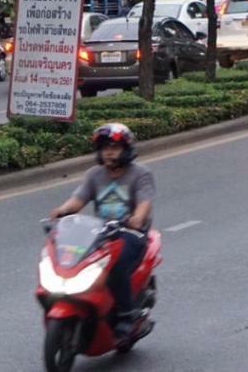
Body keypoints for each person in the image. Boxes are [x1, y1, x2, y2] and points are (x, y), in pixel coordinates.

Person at [48, 122, 154, 341]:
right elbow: (78, 200)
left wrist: (136, 219)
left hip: (131, 234)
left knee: (115, 264)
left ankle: (127, 315)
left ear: (126, 150)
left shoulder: (141, 174)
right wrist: (63, 210)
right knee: (70, 256)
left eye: (114, 148)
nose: (109, 152)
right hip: (100, 233)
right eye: (105, 148)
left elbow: (144, 202)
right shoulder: (94, 175)